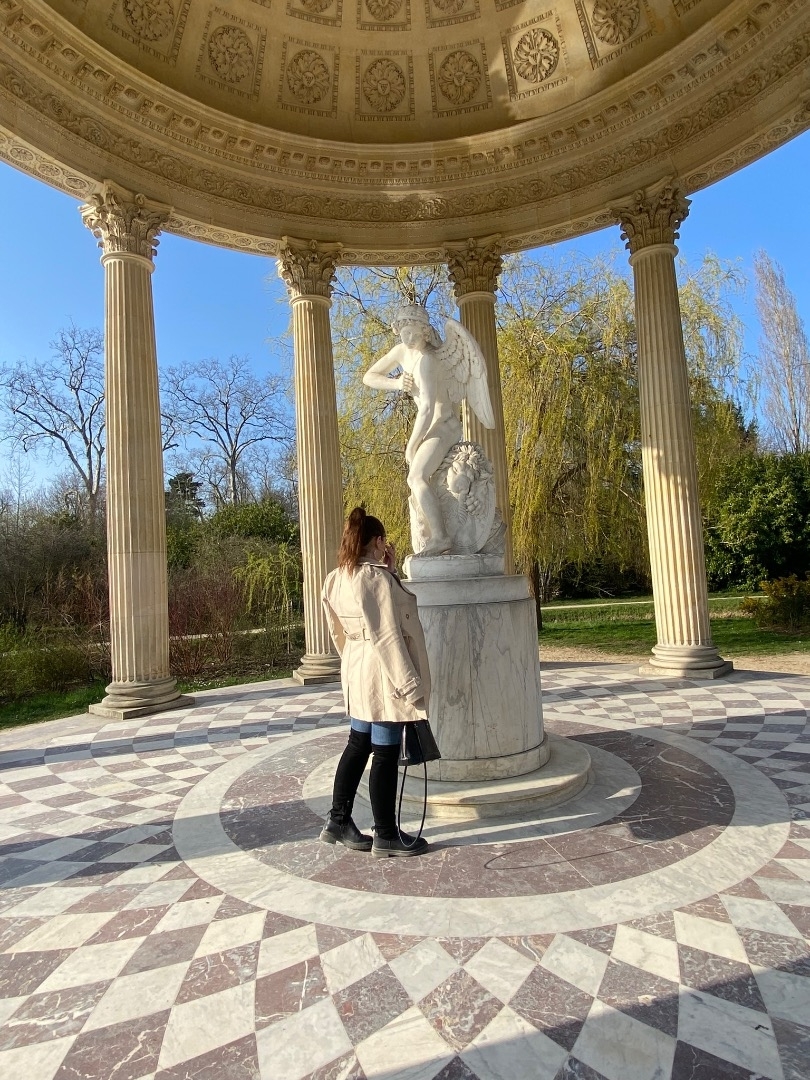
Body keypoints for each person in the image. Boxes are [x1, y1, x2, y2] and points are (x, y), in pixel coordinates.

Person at [321, 507, 431, 857]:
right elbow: (387, 636)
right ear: (379, 541)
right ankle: (385, 835)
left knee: (357, 744)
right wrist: (410, 684)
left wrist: (391, 572)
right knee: (385, 752)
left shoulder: (336, 577)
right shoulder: (376, 579)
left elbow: (336, 631)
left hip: (357, 667)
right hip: (383, 672)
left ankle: (338, 820)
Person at [362, 304, 462, 555]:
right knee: (416, 477)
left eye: (413, 333)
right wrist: (396, 383)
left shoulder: (429, 360)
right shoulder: (402, 352)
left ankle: (441, 537)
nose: (407, 339)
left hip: (445, 425)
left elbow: (427, 408)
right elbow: (369, 377)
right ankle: (435, 534)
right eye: (403, 333)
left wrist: (412, 444)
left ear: (425, 331)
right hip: (431, 425)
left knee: (416, 476)